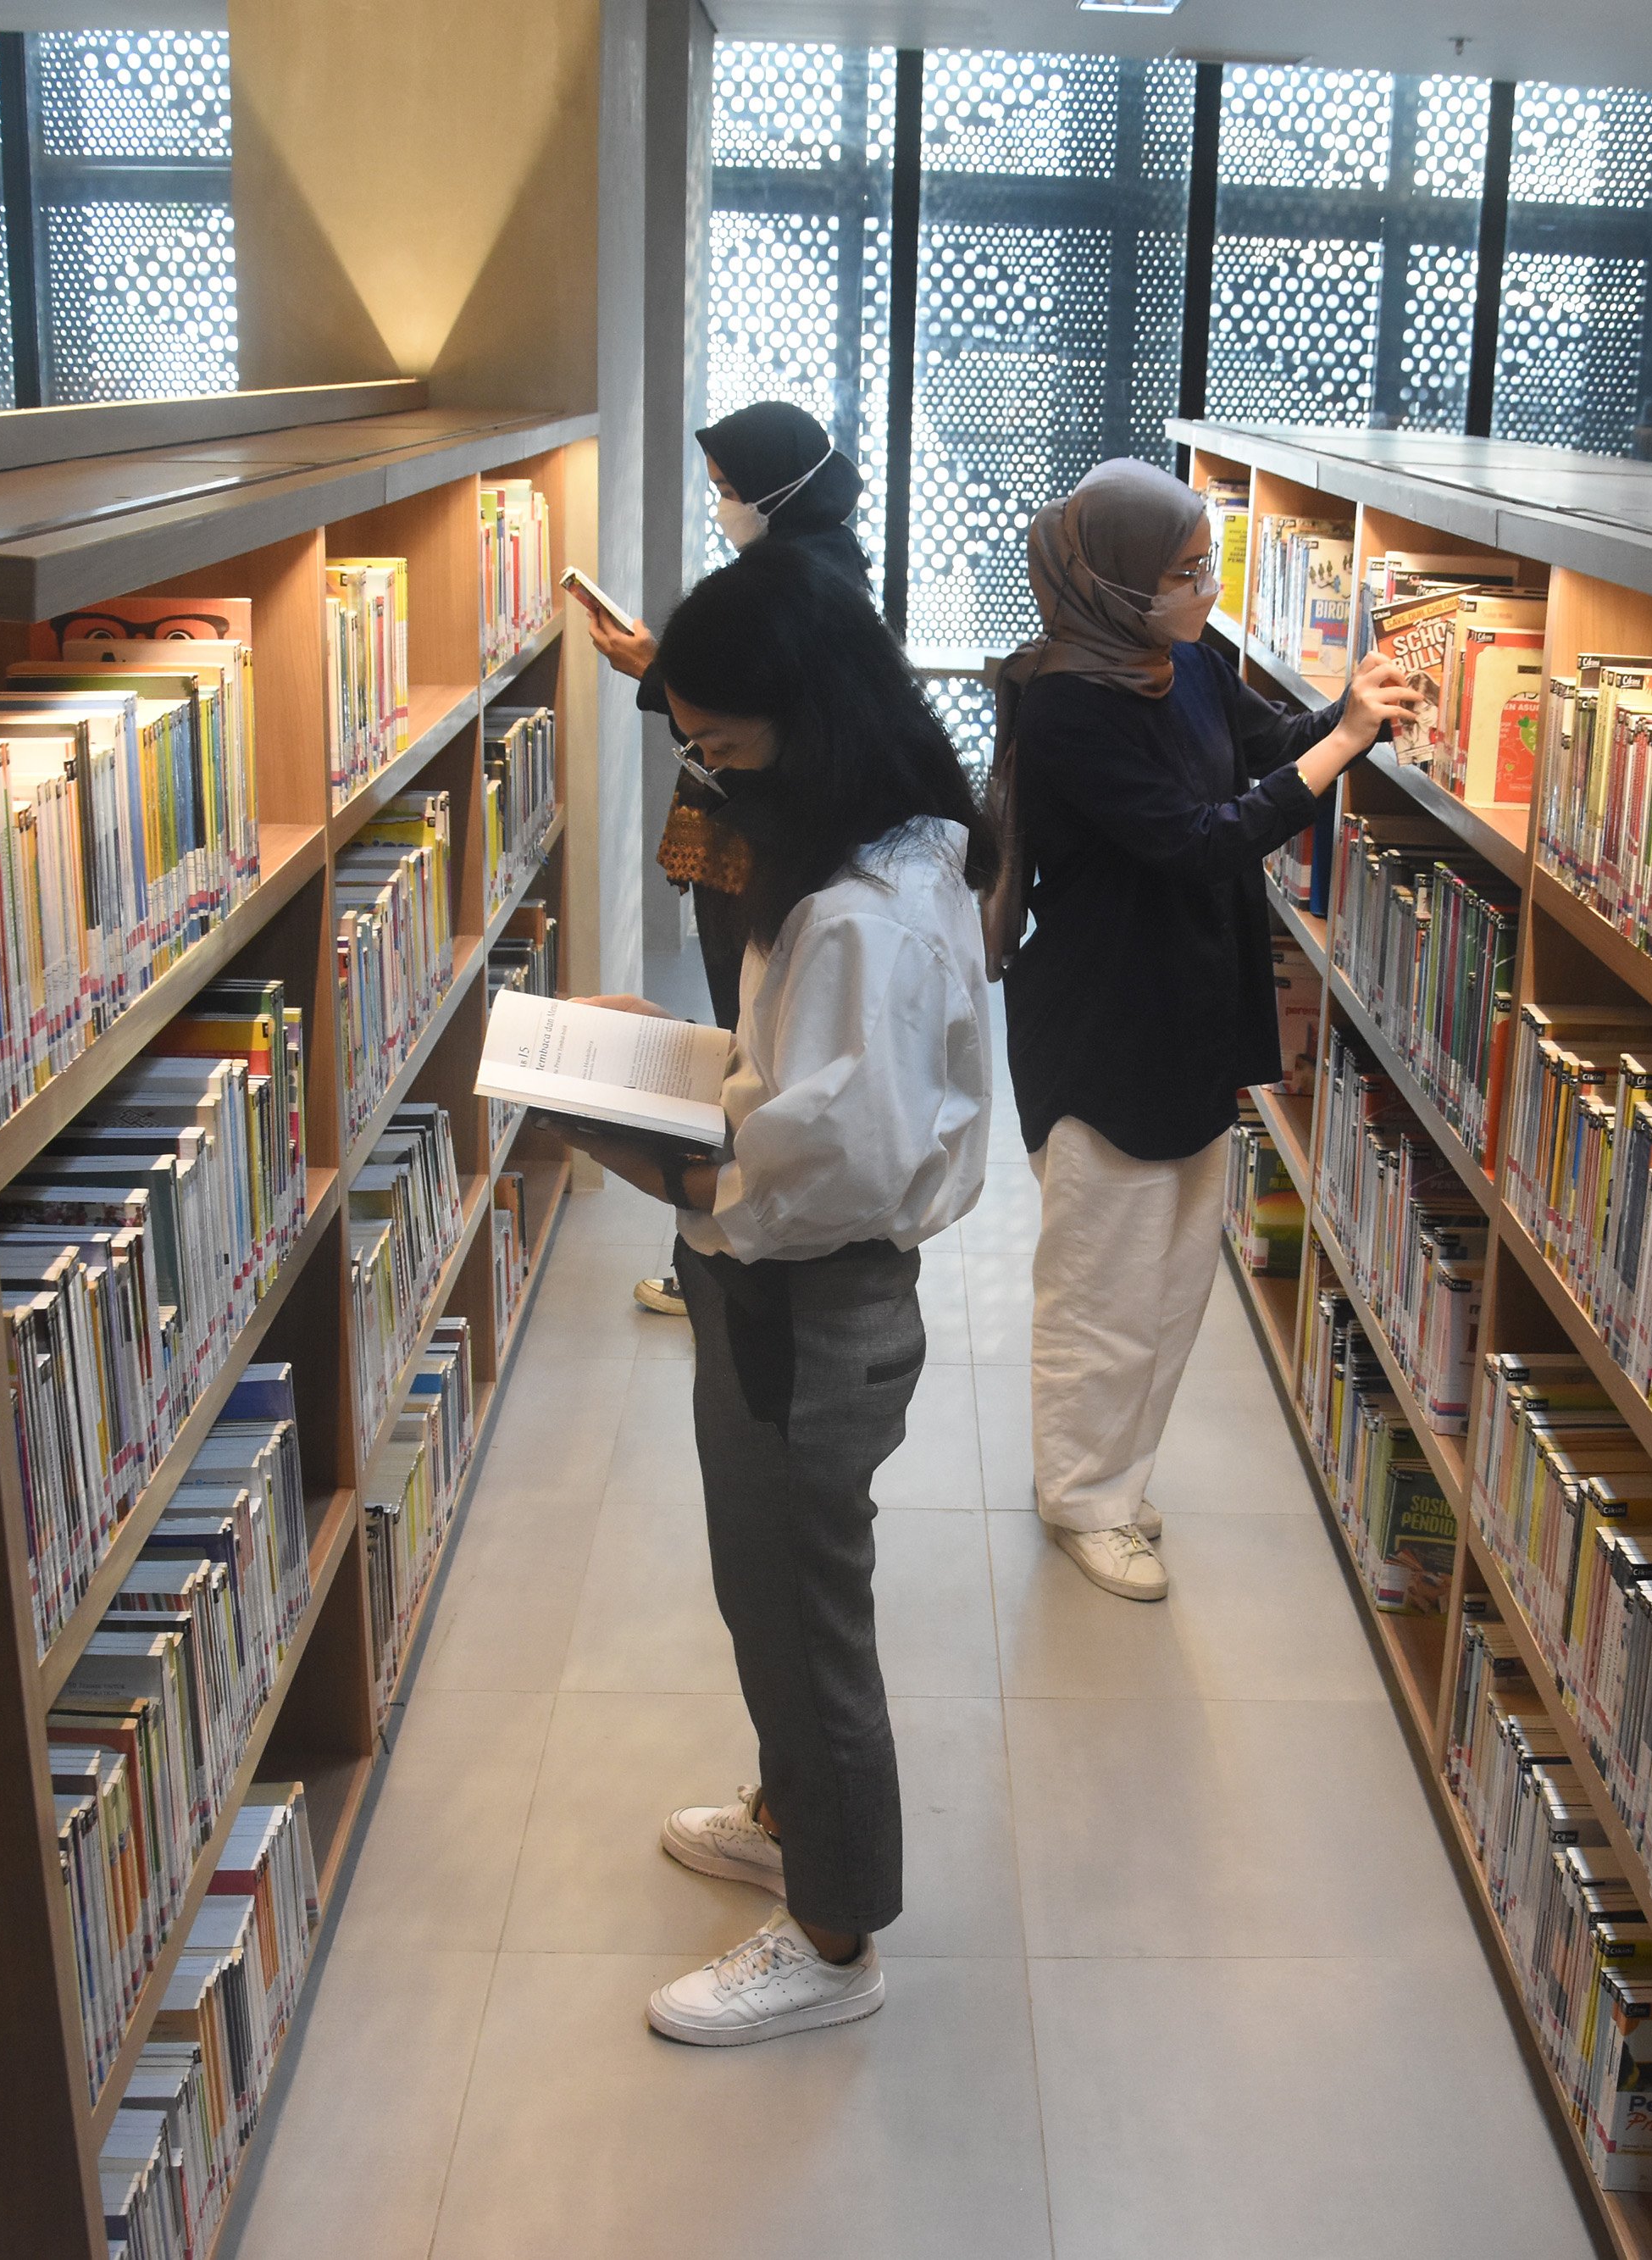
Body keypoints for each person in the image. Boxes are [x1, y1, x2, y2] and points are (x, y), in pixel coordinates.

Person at [552, 538, 995, 2046]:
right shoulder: (894, 840)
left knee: (804, 1616)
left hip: (806, 1307)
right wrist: (663, 1049)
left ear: (804, 713)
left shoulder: (859, 913)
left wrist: (620, 1132)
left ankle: (831, 1931)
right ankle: (793, 1810)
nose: (704, 768)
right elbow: (805, 1087)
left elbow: (820, 1174)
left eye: (722, 741)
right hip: (802, 1299)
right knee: (769, 1590)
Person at [998, 458, 1418, 1602]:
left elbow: (1266, 741)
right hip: (1101, 1028)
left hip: (1189, 1010)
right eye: (1188, 572)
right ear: (1119, 584)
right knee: (1101, 1285)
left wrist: (1348, 712)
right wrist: (1341, 752)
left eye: (1209, 566)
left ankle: (1112, 1475)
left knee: (1176, 1277)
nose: (1208, 588)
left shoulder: (1175, 662)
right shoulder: (1068, 706)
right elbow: (1197, 837)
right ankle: (1078, 1494)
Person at [578, 401, 873, 1320]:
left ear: (779, 490)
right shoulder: (820, 562)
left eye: (730, 492)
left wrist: (657, 677)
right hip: (759, 843)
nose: (723, 508)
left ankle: (716, 1256)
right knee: (747, 1039)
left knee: (744, 1045)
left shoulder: (800, 578)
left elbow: (766, 714)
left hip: (755, 847)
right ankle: (714, 1251)